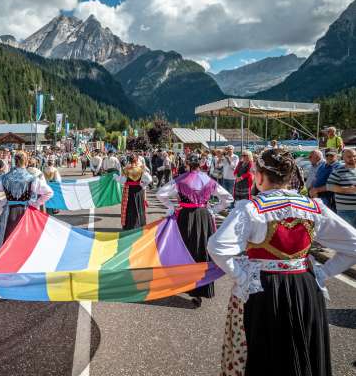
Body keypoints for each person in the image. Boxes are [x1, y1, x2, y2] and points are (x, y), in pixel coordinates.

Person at [207, 148, 356, 376]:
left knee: (264, 352)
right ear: (290, 176)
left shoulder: (252, 208)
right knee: (301, 347)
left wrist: (242, 276)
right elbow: (352, 245)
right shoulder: (314, 207)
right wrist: (323, 273)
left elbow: (217, 247)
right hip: (305, 286)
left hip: (264, 289)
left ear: (259, 176)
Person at [156, 154, 233, 307]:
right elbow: (228, 198)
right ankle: (201, 288)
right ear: (201, 164)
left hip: (185, 217)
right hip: (204, 217)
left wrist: (171, 207)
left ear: (187, 164)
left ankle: (183, 283)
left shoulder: (180, 180)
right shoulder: (209, 180)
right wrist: (214, 209)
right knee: (201, 250)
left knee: (185, 250)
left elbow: (160, 194)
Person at [0, 151, 53, 253]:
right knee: (26, 238)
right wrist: (36, 203)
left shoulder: (4, 177)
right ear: (26, 161)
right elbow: (49, 192)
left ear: (14, 161)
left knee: (6, 237)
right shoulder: (31, 178)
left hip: (9, 212)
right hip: (26, 211)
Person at [117, 154, 152, 230]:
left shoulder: (126, 169)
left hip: (129, 190)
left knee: (129, 207)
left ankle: (129, 226)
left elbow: (122, 181)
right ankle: (140, 224)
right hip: (139, 190)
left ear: (129, 160)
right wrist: (143, 184)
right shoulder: (141, 168)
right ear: (137, 160)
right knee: (139, 206)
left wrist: (116, 178)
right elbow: (149, 179)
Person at [326, 148, 356, 227]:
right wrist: (347, 190)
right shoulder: (338, 170)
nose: (352, 158)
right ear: (344, 158)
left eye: (354, 156)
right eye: (349, 157)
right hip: (346, 211)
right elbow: (329, 186)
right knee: (347, 236)